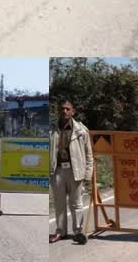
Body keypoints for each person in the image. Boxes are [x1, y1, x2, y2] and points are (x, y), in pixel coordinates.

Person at [49, 100, 93, 244]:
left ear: (72, 111)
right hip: (58, 171)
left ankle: (78, 232)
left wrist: (87, 175)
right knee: (59, 204)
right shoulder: (52, 130)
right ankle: (60, 232)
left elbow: (89, 155)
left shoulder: (81, 130)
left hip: (76, 171)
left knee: (76, 204)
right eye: (62, 109)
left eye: (68, 109)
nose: (64, 111)